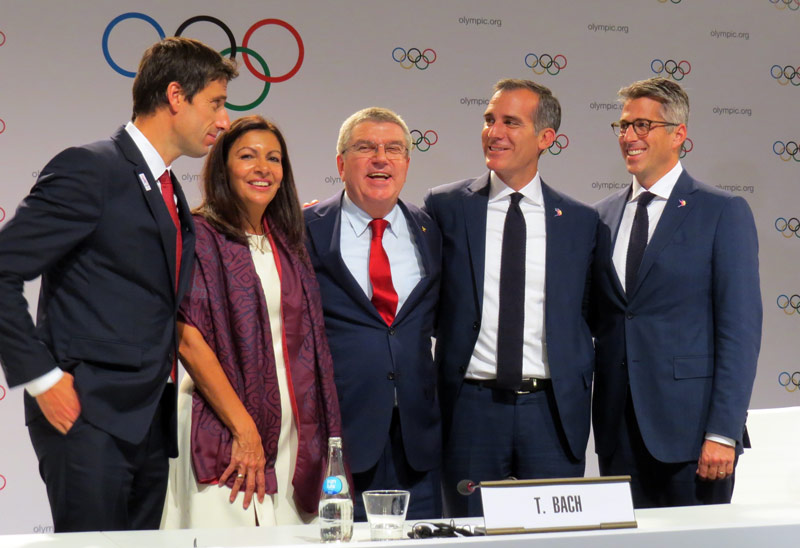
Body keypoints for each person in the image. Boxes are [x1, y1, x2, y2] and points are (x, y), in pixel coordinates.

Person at [0, 38, 237, 532]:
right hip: (87, 418)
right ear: (176, 96)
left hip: (147, 424)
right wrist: (42, 378)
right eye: (216, 102)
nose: (224, 120)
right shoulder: (91, 169)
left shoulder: (169, 189)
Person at [424, 79, 597, 517]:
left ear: (545, 139)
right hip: (470, 410)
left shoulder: (579, 221)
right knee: (467, 535)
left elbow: (590, 315)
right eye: (489, 119)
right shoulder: (445, 207)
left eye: (510, 122)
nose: (494, 132)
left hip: (552, 414)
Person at [160, 116, 342, 528]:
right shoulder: (199, 235)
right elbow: (186, 339)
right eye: (248, 156)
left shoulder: (288, 242)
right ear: (223, 168)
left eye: (274, 158)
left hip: (293, 426)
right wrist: (244, 431)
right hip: (224, 423)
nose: (264, 167)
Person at [590, 77, 761, 508]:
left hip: (694, 438)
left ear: (678, 135)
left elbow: (739, 331)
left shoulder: (722, 211)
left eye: (642, 125)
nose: (629, 137)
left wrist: (723, 431)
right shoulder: (601, 217)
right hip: (617, 434)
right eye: (623, 126)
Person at [304, 107, 442, 520]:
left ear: (406, 164)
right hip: (339, 439)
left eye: (394, 149)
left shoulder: (431, 230)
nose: (381, 158)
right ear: (341, 163)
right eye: (366, 148)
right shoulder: (305, 228)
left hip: (416, 442)